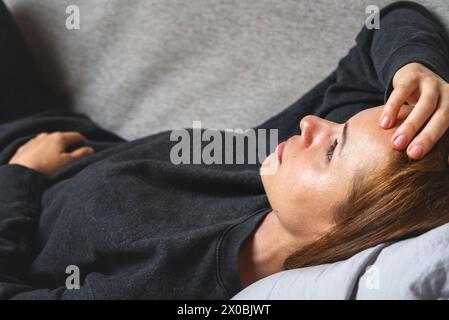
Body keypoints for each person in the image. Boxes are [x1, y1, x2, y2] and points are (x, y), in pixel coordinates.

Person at [0, 1, 448, 299]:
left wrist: (22, 177)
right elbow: (390, 21)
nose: (312, 123)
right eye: (338, 125)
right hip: (52, 125)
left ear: (343, 236)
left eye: (332, 149)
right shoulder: (278, 169)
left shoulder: (166, 285)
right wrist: (419, 70)